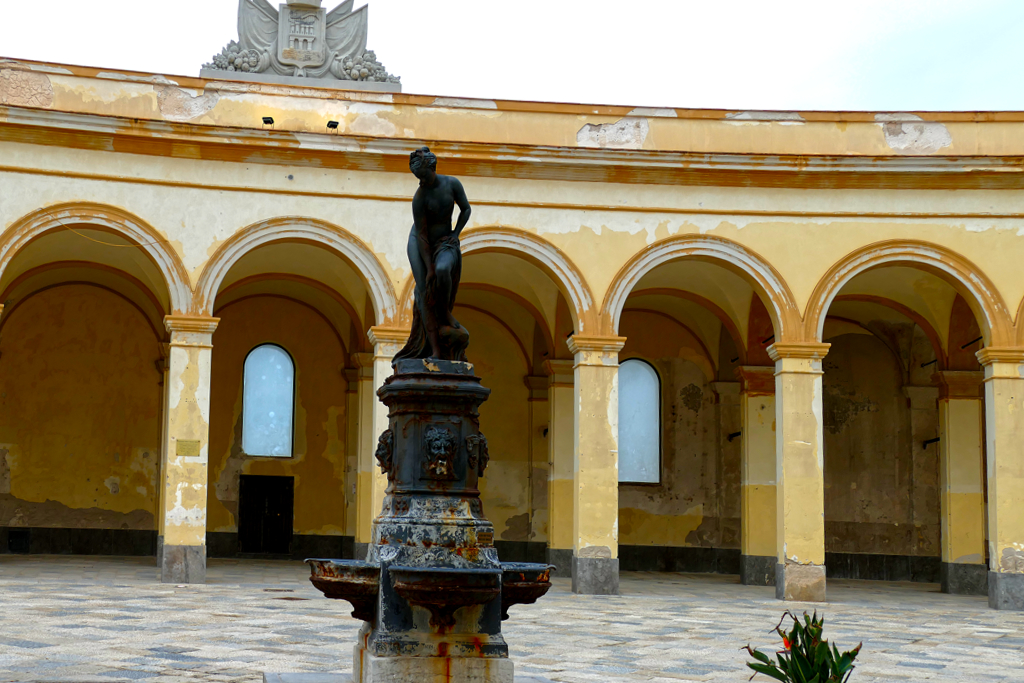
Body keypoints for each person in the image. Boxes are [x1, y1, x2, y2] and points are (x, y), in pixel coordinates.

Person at [395, 147, 472, 361]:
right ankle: (435, 350)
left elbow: (466, 209)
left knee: (443, 269)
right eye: (418, 178)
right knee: (425, 292)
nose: (421, 181)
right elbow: (421, 234)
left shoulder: (452, 184)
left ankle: (445, 311)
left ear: (433, 168)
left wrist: (455, 234)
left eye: (424, 176)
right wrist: (428, 268)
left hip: (445, 241)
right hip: (420, 243)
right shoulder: (420, 197)